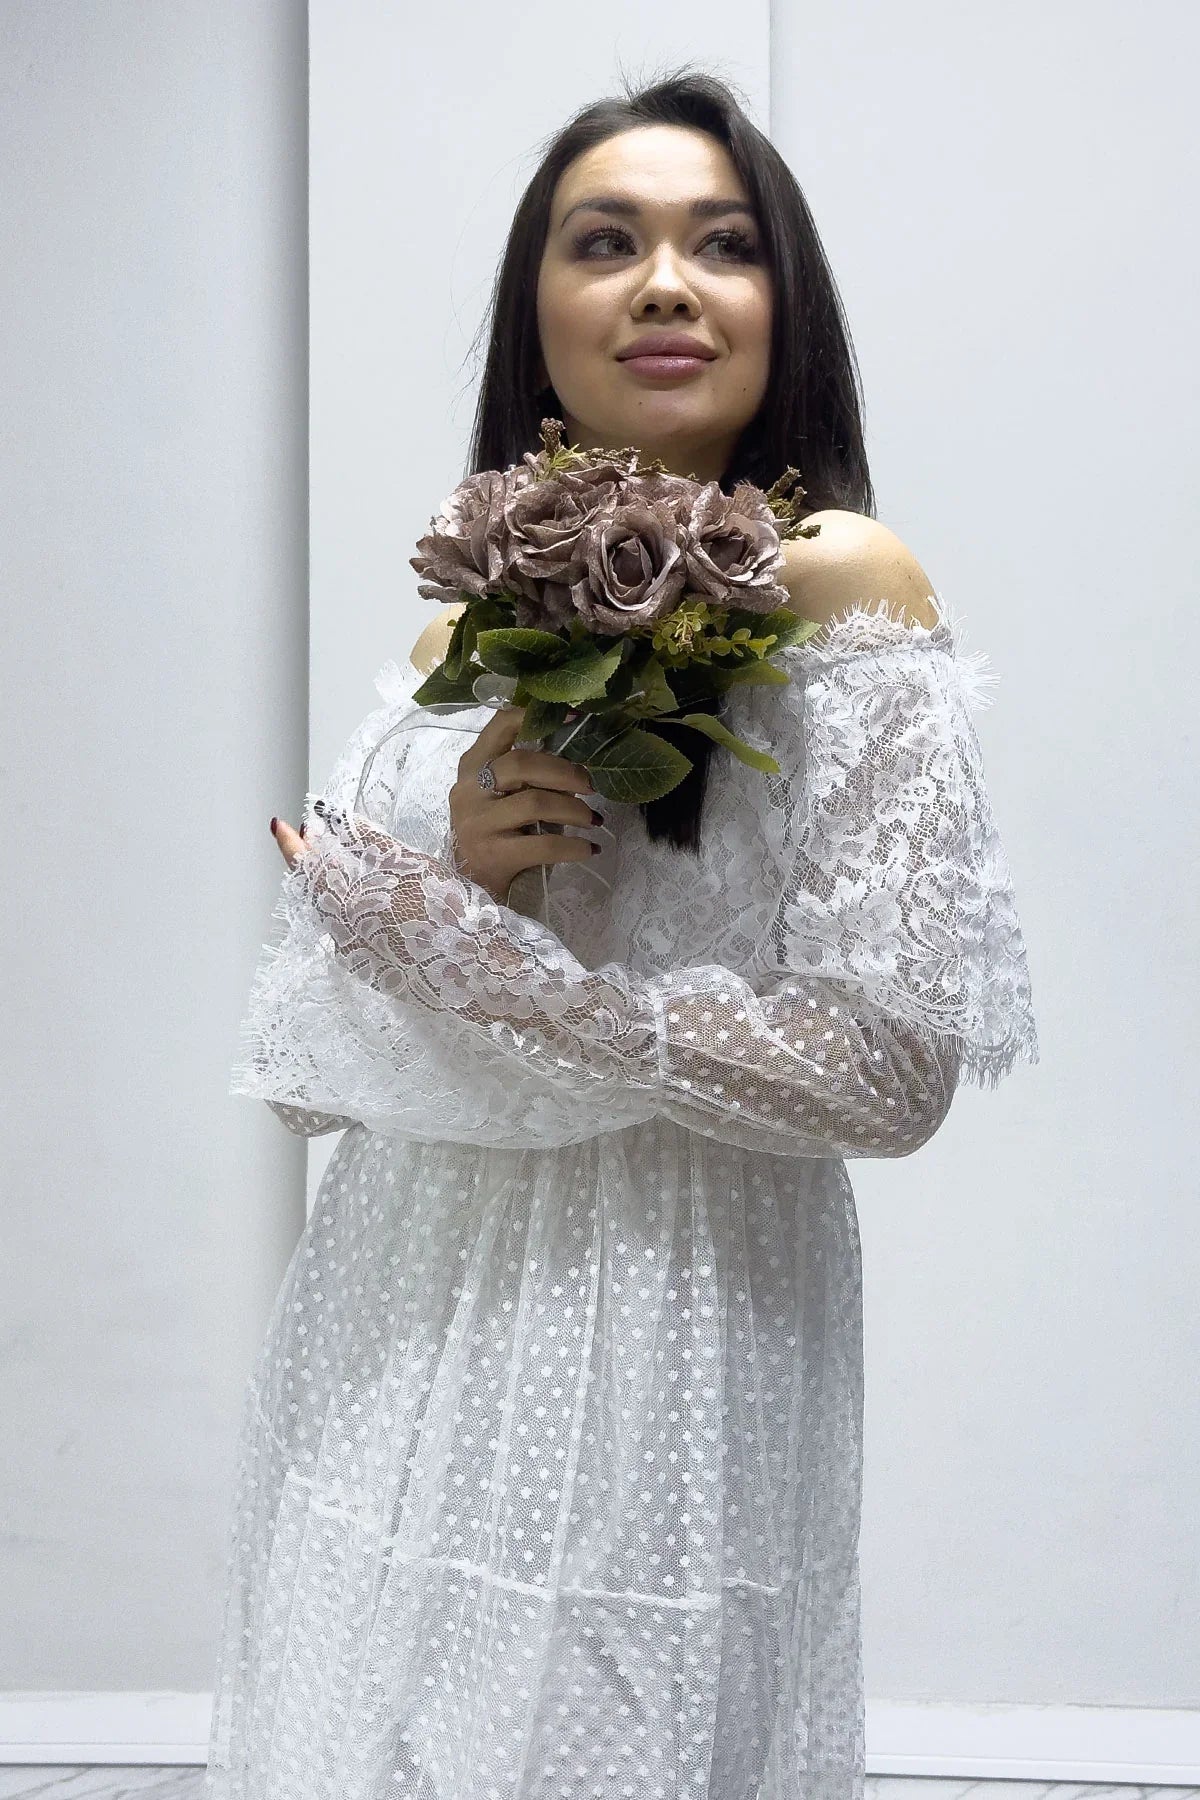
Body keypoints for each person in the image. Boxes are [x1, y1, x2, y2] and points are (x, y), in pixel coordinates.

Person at [207, 66, 1039, 1800]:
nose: (667, 282)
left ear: (784, 307)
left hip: (673, 1306)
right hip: (404, 1296)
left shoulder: (842, 578)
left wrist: (485, 964)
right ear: (537, 313)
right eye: (608, 242)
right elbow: (302, 1073)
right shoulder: (459, 638)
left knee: (624, 1734)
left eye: (722, 245)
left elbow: (889, 1072)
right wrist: (463, 877)